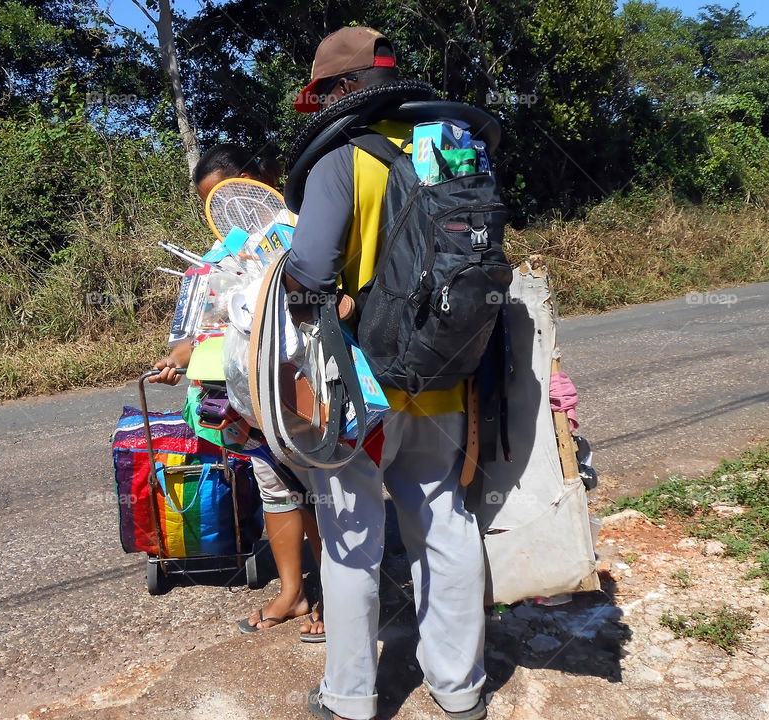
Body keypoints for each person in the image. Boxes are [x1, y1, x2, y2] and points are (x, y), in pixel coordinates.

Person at [284, 27, 487, 720]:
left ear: (342, 91)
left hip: (363, 389)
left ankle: (348, 697)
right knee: (444, 523)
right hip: (444, 374)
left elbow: (308, 272)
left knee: (351, 537)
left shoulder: (342, 159)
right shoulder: (454, 150)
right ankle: (460, 690)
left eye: (321, 97)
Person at [150, 143, 327, 641]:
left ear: (255, 180)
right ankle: (292, 594)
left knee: (316, 491)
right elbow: (194, 332)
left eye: (230, 197)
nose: (228, 213)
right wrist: (180, 355)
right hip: (245, 401)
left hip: (298, 386)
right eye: (214, 206)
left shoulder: (303, 228)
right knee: (276, 490)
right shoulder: (215, 263)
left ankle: (336, 595)